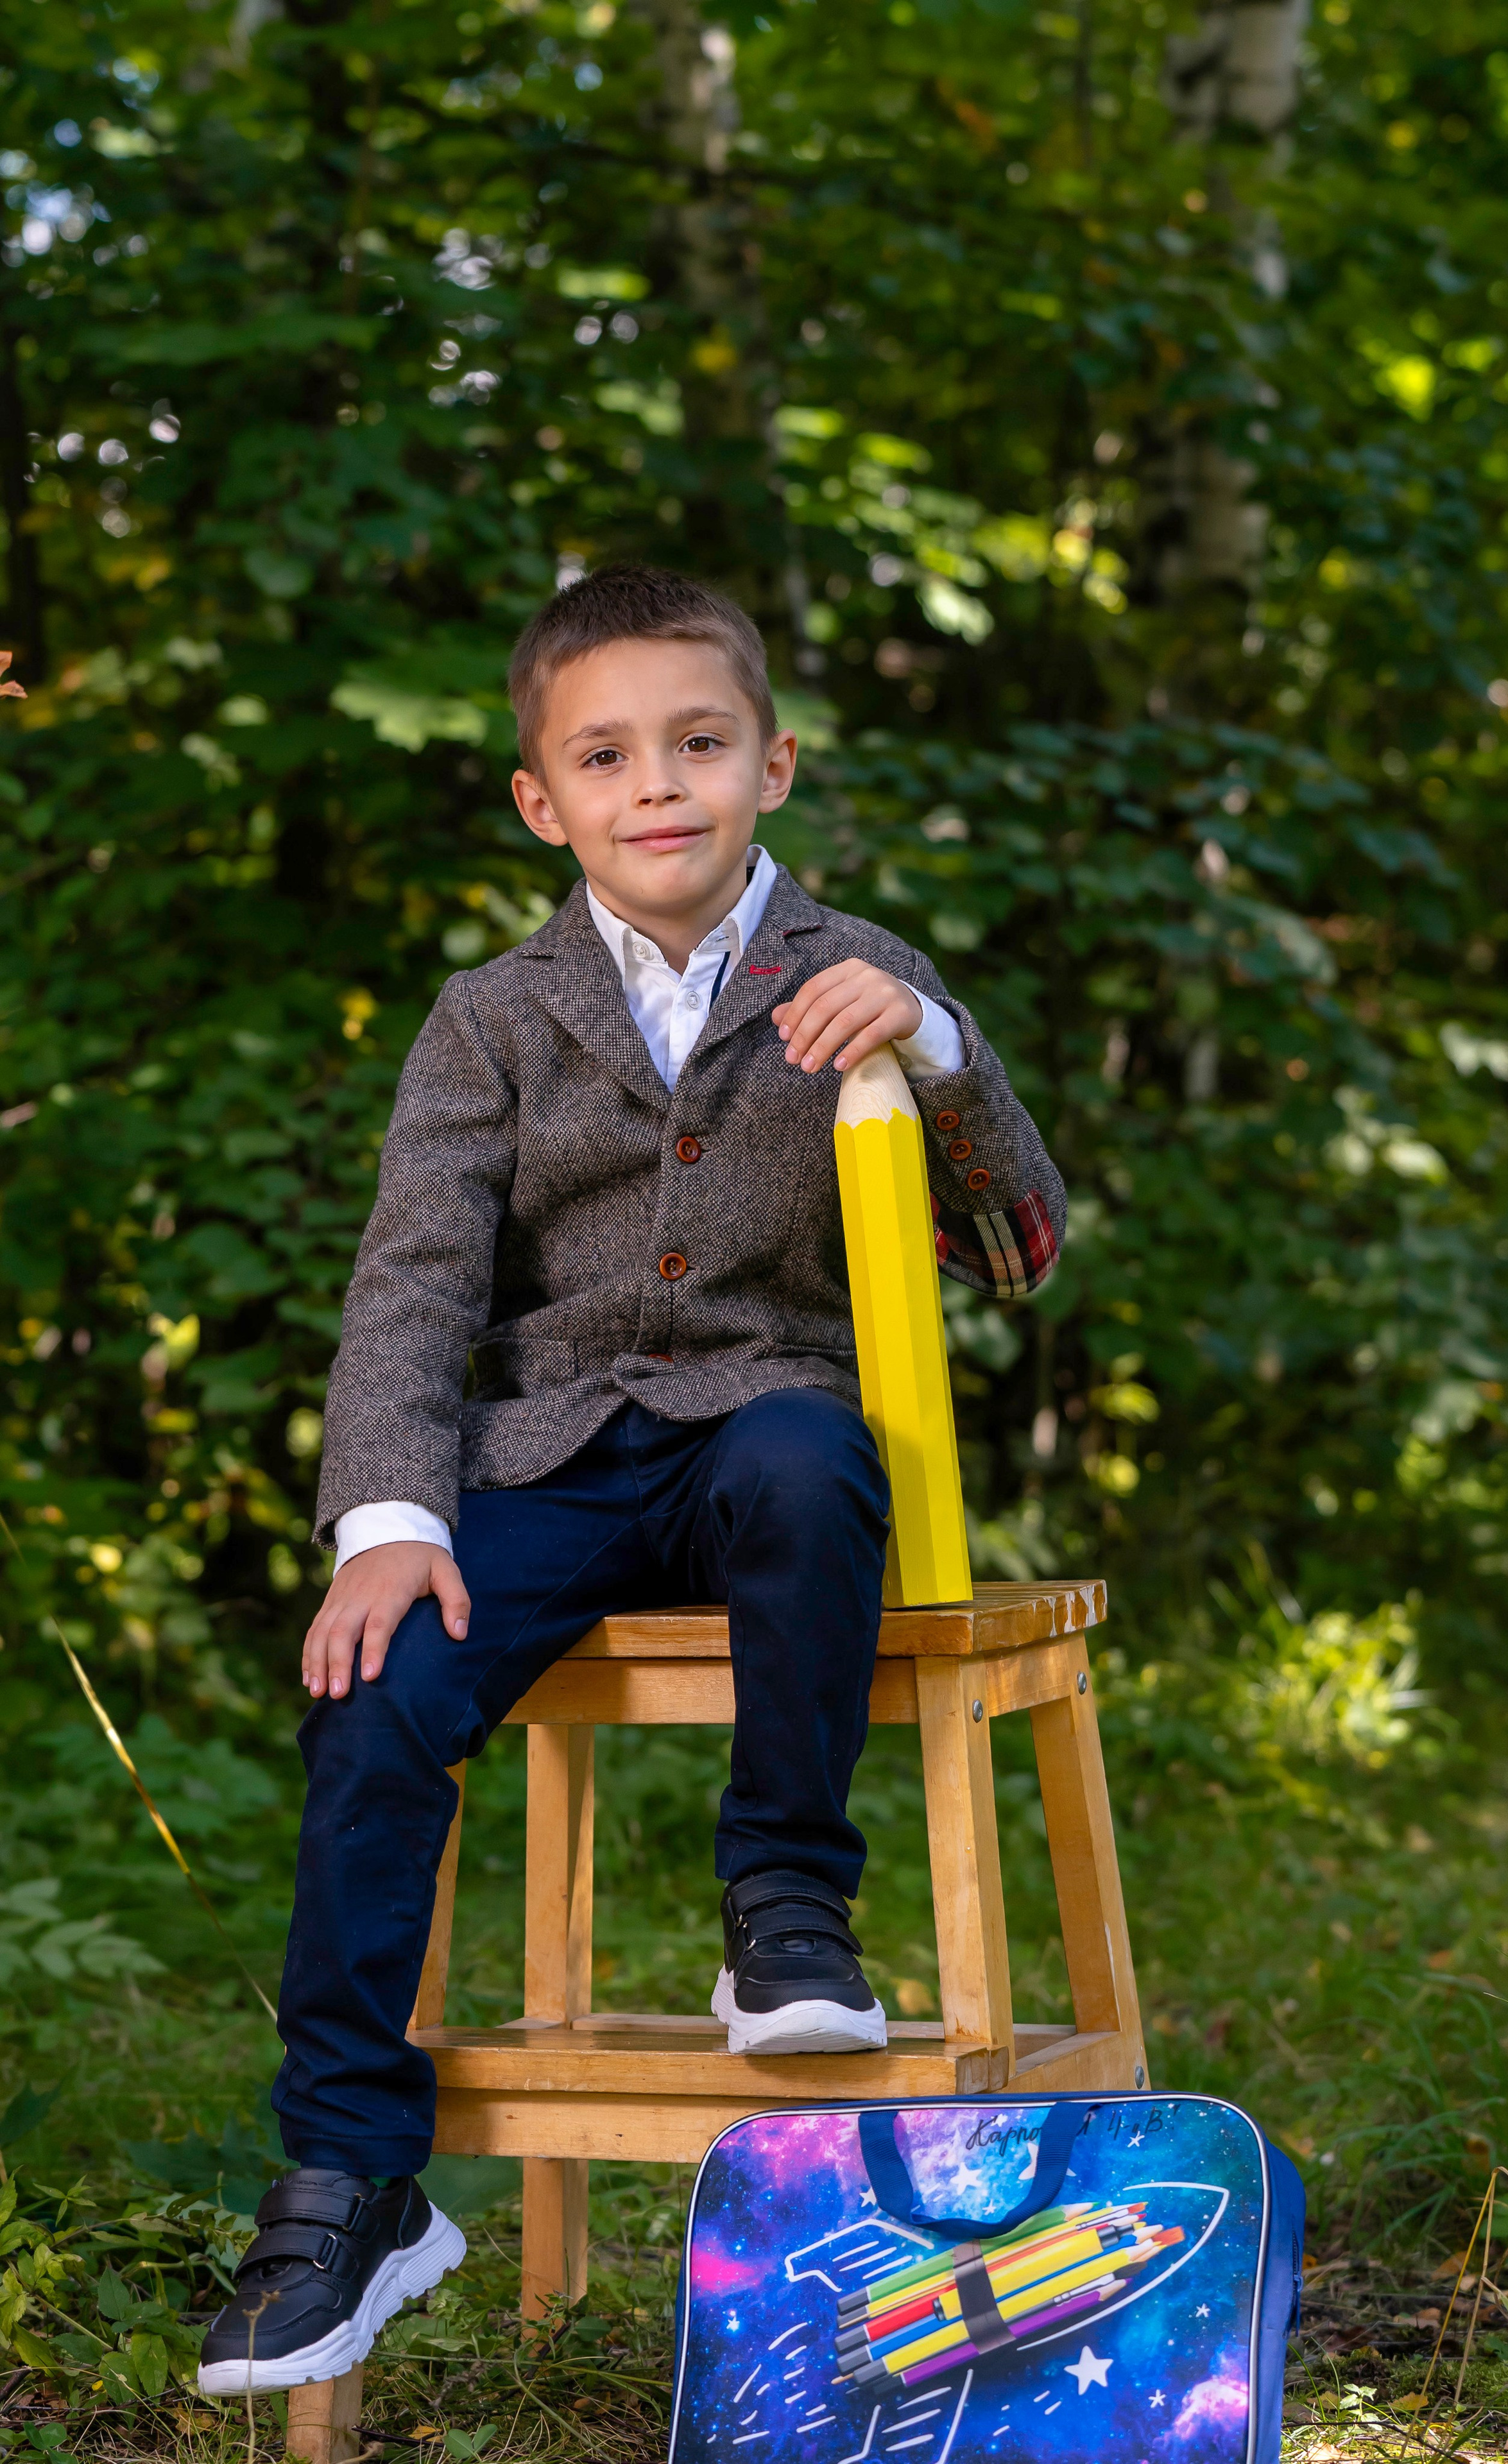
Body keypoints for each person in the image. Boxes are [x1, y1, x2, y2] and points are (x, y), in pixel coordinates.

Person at [199, 565, 1066, 2393]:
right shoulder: (490, 1017)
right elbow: (418, 1277)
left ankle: (785, 1913)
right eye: (607, 755)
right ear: (545, 800)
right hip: (551, 1457)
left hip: (771, 1442)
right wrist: (387, 1522)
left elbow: (1019, 1241)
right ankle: (353, 2174)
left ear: (775, 763)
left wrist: (942, 1050)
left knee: (809, 1458)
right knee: (375, 1695)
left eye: (698, 743)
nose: (655, 783)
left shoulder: (856, 970)